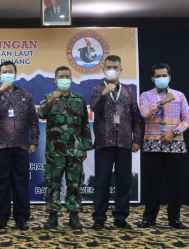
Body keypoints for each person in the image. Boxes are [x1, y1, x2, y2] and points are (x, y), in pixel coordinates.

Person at [90, 55, 144, 230]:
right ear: (103, 69)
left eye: (115, 66)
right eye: (108, 66)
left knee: (123, 182)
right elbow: (95, 109)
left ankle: (120, 217)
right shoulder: (97, 90)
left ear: (120, 69)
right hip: (103, 143)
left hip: (124, 143)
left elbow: (136, 117)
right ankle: (99, 218)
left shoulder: (128, 91)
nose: (112, 69)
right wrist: (104, 95)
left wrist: (137, 139)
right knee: (102, 182)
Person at [0, 61, 39, 230]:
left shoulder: (26, 95)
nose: (7, 73)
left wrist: (34, 141)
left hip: (21, 145)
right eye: (4, 71)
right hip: (0, 146)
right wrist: (1, 90)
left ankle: (21, 217)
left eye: (10, 71)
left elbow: (33, 120)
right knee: (1, 183)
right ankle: (1, 217)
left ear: (15, 75)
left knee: (21, 182)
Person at [37, 66, 92, 230]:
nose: (64, 79)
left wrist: (85, 147)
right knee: (53, 184)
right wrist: (51, 100)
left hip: (75, 150)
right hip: (55, 151)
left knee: (74, 184)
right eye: (61, 76)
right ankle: (52, 216)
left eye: (67, 76)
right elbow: (41, 115)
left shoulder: (79, 100)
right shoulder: (48, 97)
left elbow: (84, 125)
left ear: (71, 79)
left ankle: (73, 216)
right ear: (55, 80)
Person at [138, 63, 188, 229]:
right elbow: (144, 114)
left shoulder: (179, 95)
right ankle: (149, 218)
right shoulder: (145, 96)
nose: (161, 79)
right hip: (152, 146)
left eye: (164, 75)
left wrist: (174, 132)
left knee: (175, 184)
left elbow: (187, 119)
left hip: (175, 145)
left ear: (170, 77)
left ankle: (174, 219)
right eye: (158, 76)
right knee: (152, 183)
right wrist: (162, 102)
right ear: (153, 78)